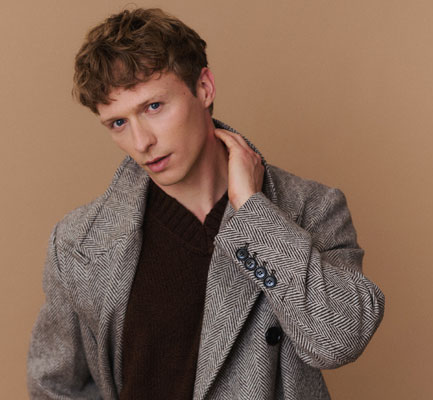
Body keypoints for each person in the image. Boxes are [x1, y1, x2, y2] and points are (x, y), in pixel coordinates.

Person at [27, 7, 385, 400]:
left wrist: (253, 213)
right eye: (118, 123)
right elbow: (54, 385)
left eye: (153, 107)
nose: (141, 142)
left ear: (204, 88)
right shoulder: (78, 243)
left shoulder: (310, 207)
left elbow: (339, 340)